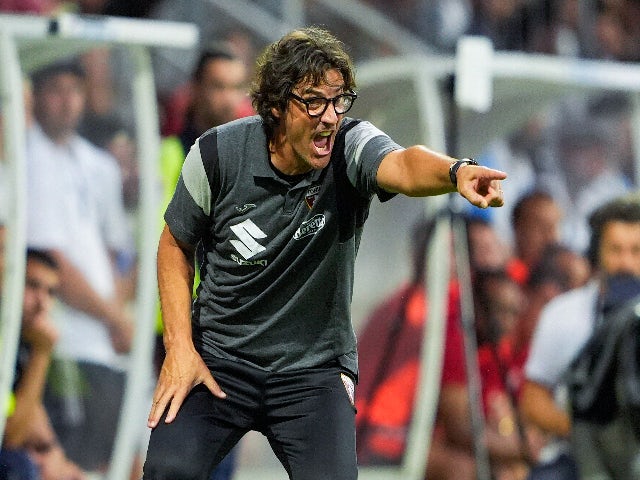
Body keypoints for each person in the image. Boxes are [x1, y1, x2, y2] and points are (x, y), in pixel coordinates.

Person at [142, 26, 506, 480]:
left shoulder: (350, 147)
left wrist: (456, 171)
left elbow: (405, 164)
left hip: (311, 372)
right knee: (165, 471)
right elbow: (175, 242)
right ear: (275, 105)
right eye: (313, 101)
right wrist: (179, 348)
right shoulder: (215, 154)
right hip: (219, 360)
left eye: (338, 100)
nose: (330, 116)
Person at [25, 59, 134, 474]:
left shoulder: (99, 166)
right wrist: (115, 318)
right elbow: (50, 262)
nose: (68, 101)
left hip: (104, 342)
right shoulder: (26, 159)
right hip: (60, 339)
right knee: (67, 461)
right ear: (35, 96)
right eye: (56, 90)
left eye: (76, 90)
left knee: (110, 461)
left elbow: (117, 252)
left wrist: (116, 315)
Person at [520, 195, 640, 480]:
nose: (626, 262)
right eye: (615, 250)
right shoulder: (563, 314)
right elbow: (534, 400)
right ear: (596, 252)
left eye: (636, 251)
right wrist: (587, 434)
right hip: (579, 458)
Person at [1, 249, 86, 480]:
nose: (42, 302)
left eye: (50, 292)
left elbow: (37, 425)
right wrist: (42, 352)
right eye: (32, 286)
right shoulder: (31, 343)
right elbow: (11, 436)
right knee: (19, 467)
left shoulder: (28, 339)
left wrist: (58, 461)